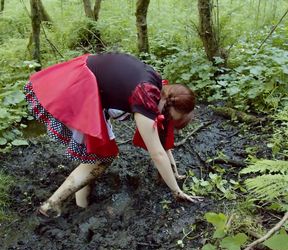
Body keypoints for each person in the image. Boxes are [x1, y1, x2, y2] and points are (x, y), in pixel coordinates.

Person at [23, 52, 201, 218]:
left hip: (84, 78)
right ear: (168, 106)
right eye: (171, 117)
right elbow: (157, 154)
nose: (169, 121)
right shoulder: (145, 98)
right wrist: (177, 191)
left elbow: (161, 137)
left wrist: (174, 173)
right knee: (101, 157)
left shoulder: (157, 84)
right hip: (79, 89)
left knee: (93, 156)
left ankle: (81, 206)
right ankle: (52, 205)